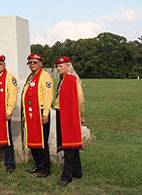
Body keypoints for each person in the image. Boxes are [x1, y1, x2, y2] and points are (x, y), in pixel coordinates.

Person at [21, 54, 54, 178]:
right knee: (33, 139)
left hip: (40, 112)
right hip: (31, 113)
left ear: (41, 63)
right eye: (30, 62)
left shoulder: (45, 77)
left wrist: (45, 114)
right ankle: (38, 165)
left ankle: (45, 169)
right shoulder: (31, 76)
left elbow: (48, 96)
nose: (32, 64)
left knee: (41, 141)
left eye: (35, 62)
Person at [54, 56, 85, 187]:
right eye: (57, 66)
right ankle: (77, 171)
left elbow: (80, 98)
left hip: (69, 115)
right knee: (71, 144)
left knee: (69, 144)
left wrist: (80, 114)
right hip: (62, 113)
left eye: (61, 66)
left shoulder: (72, 79)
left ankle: (66, 176)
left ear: (68, 66)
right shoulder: (63, 79)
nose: (58, 68)